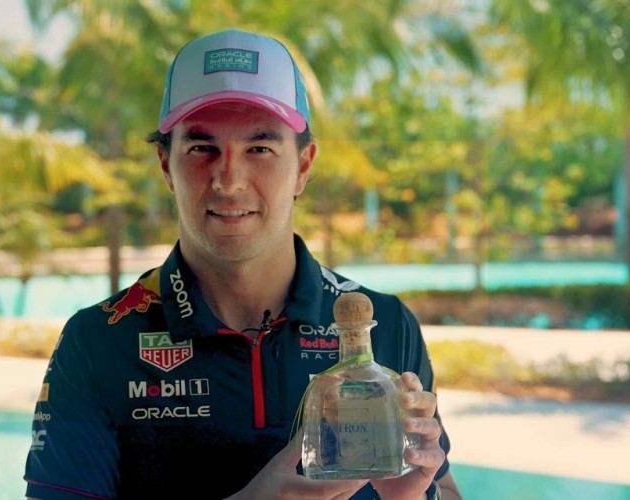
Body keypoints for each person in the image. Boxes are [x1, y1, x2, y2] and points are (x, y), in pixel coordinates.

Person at [24, 28, 460, 500]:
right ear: (166, 165)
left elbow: (445, 487)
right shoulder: (98, 341)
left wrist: (416, 496)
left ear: (304, 166)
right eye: (201, 148)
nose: (229, 181)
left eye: (260, 149)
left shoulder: (387, 324)